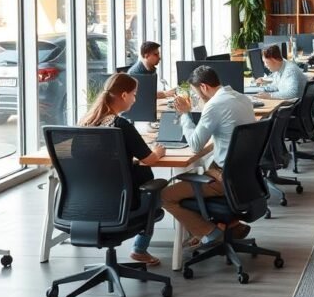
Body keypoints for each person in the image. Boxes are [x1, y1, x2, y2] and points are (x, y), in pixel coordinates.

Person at [78, 73, 167, 266]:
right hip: (121, 203)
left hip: (85, 202)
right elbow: (149, 158)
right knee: (151, 184)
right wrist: (158, 151)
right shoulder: (121, 125)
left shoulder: (86, 122)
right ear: (124, 95)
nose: (135, 100)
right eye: (134, 94)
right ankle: (140, 250)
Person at [162, 66, 256, 247]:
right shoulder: (242, 98)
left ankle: (209, 231)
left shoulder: (214, 105)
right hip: (245, 177)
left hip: (224, 180)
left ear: (204, 87)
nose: (198, 96)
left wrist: (184, 115)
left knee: (165, 196)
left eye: (197, 92)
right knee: (207, 163)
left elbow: (195, 145)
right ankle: (231, 224)